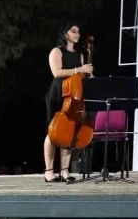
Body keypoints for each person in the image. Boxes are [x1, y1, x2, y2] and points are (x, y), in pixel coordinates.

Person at [43, 23, 93, 183]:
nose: (77, 34)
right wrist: (79, 70)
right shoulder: (56, 51)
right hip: (58, 93)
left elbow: (81, 76)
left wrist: (88, 74)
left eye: (78, 31)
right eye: (73, 31)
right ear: (65, 34)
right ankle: (49, 171)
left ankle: (65, 171)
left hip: (73, 95)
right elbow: (57, 72)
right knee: (52, 131)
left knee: (69, 131)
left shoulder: (79, 54)